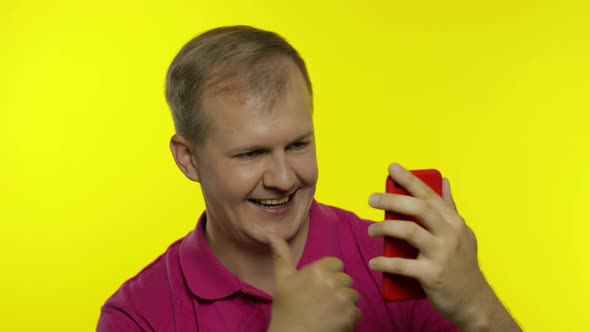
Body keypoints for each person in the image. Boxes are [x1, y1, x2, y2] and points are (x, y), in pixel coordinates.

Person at [97, 25, 521, 332]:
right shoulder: (136, 317)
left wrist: (478, 305)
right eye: (251, 153)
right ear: (188, 158)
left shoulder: (396, 261)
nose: (283, 178)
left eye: (298, 145)